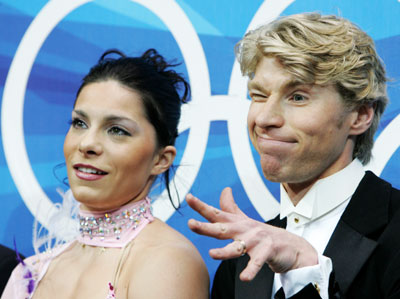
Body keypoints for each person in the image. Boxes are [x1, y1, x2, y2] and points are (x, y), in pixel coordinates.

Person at [186, 12, 400, 298]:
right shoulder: (241, 259)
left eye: (298, 96)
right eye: (258, 95)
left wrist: (307, 268)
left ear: (360, 115)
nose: (264, 118)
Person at [2, 49, 209, 299]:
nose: (87, 144)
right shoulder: (32, 273)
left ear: (160, 160)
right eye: (80, 123)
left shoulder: (168, 262)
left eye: (117, 130)